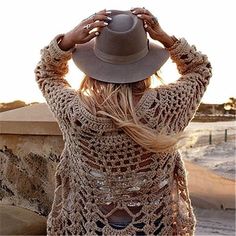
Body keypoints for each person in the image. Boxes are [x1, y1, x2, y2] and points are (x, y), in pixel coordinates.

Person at [35, 7, 212, 236]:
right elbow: (200, 70)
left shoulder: (75, 110)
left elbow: (46, 73)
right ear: (147, 61)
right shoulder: (167, 106)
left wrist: (67, 40)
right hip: (153, 224)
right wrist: (165, 37)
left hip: (90, 222)